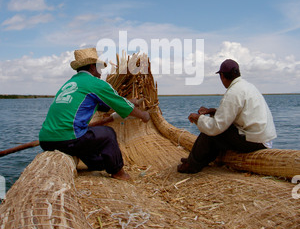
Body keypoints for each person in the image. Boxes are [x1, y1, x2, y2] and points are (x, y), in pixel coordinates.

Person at [39, 47, 150, 181]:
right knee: (108, 134)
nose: (101, 72)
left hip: (46, 140)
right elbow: (122, 107)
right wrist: (144, 116)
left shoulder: (71, 83)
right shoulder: (95, 83)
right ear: (92, 67)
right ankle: (118, 173)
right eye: (99, 68)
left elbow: (106, 106)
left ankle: (96, 164)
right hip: (67, 139)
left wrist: (130, 101)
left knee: (87, 133)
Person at [177, 59, 277, 174]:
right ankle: (196, 159)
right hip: (263, 138)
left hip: (256, 141)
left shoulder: (233, 92)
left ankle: (192, 165)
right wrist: (214, 111)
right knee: (214, 127)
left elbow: (216, 127)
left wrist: (198, 118)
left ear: (222, 76)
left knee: (211, 132)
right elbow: (237, 113)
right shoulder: (246, 86)